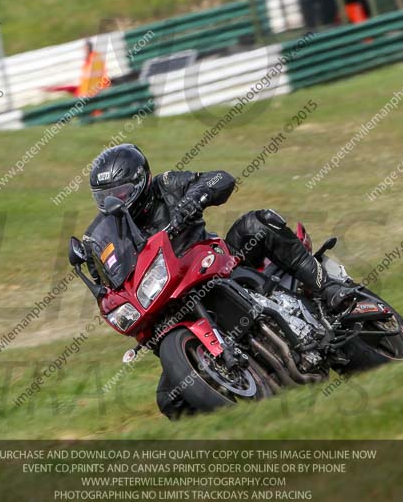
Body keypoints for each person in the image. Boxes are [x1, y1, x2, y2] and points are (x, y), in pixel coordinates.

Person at [82, 143, 349, 418]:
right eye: (105, 197)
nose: (113, 202)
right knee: (170, 400)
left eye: (120, 193)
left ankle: (327, 287)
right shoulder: (105, 232)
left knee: (256, 224)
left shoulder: (166, 185)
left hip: (215, 263)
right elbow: (108, 278)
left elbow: (219, 178)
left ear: (140, 182)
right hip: (168, 298)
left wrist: (195, 198)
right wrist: (101, 282)